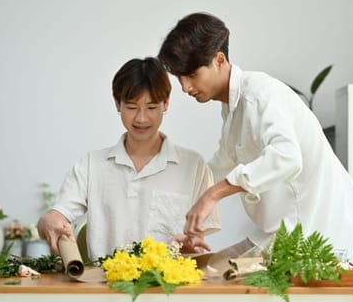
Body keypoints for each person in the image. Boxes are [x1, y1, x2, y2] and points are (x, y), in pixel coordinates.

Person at [157, 12, 353, 256]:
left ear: (219, 60)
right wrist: (190, 219)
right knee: (210, 268)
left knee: (218, 276)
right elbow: (221, 164)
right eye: (180, 78)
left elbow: (287, 158)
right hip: (284, 229)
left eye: (192, 75)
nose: (185, 87)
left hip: (317, 229)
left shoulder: (260, 95)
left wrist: (213, 195)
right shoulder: (233, 109)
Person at [37, 57, 221, 261]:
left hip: (168, 287)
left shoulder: (193, 166)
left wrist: (188, 248)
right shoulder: (92, 165)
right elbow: (56, 216)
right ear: (118, 103)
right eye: (132, 107)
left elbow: (197, 242)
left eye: (151, 108)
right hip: (104, 286)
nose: (141, 118)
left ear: (166, 104)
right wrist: (48, 221)